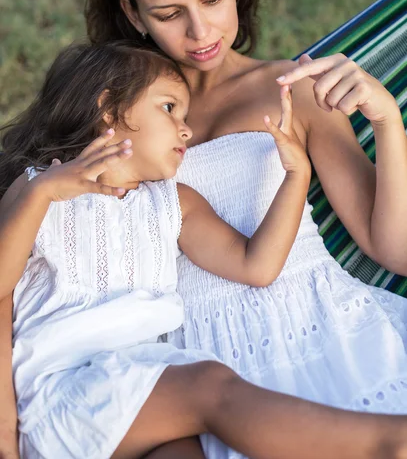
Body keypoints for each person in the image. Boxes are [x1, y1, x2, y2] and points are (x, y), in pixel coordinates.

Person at [83, 0, 407, 459]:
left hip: (318, 333)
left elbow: (394, 249)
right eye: (168, 14)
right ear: (133, 14)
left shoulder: (293, 89)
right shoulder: (112, 113)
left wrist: (387, 121)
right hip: (188, 366)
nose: (201, 29)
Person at [2, 41, 406, 459]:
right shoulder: (38, 190)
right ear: (110, 109)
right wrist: (40, 195)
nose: (186, 129)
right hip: (67, 392)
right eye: (168, 108)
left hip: (145, 388)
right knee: (210, 387)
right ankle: (385, 443)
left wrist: (295, 176)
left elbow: (258, 266)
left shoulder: (173, 203)